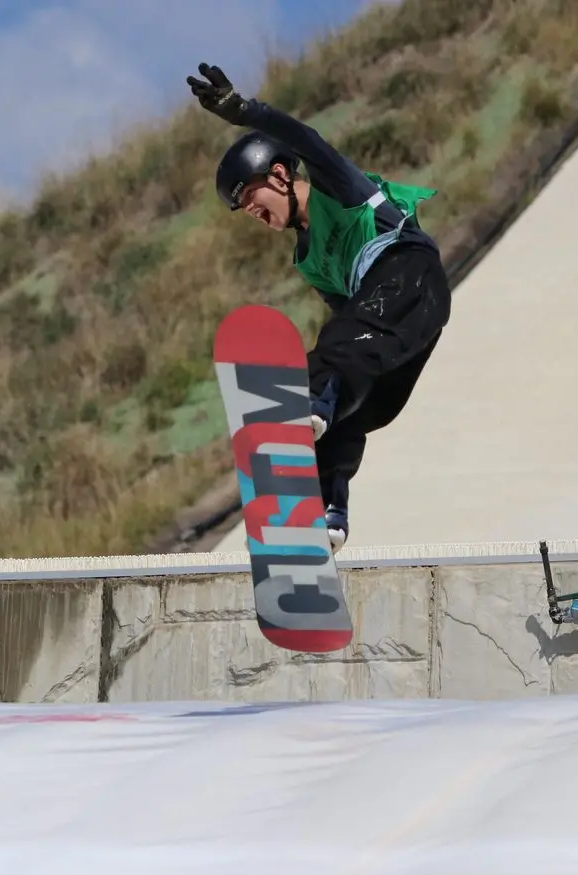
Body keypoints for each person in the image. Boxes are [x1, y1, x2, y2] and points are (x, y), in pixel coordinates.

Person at [187, 62, 451, 553]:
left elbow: (306, 138)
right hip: (404, 323)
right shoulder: (308, 260)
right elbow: (349, 312)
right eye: (244, 210)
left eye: (252, 196)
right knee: (347, 412)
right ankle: (328, 513)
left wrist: (245, 111)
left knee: (329, 360)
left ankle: (305, 405)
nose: (254, 213)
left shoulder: (338, 189)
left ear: (281, 174)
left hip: (410, 273)